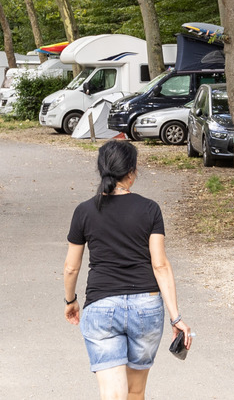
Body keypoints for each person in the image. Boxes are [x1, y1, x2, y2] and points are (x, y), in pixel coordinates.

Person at [62, 140, 193, 400]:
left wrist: (71, 300)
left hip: (101, 307)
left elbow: (70, 267)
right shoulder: (149, 209)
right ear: (131, 172)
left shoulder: (84, 211)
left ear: (102, 171)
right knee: (135, 391)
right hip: (146, 307)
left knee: (113, 394)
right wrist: (176, 317)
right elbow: (160, 265)